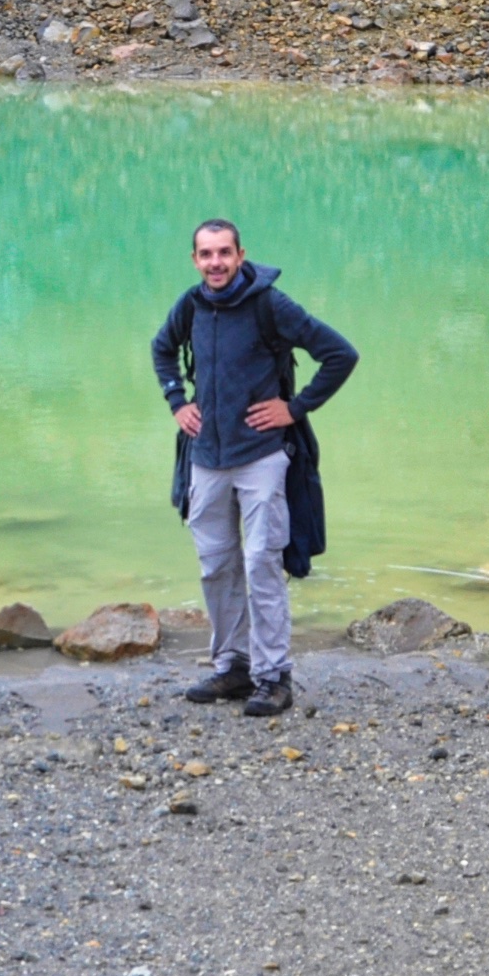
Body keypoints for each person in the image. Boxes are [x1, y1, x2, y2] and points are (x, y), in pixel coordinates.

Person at [149, 219, 357, 715]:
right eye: (206, 254)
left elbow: (339, 354)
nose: (215, 262)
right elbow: (162, 350)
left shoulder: (269, 304)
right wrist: (178, 400)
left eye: (224, 253)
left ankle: (274, 677)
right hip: (206, 459)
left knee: (262, 563)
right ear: (195, 260)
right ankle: (234, 668)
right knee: (216, 566)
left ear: (241, 255)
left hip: (262, 456)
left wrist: (296, 407)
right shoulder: (190, 305)